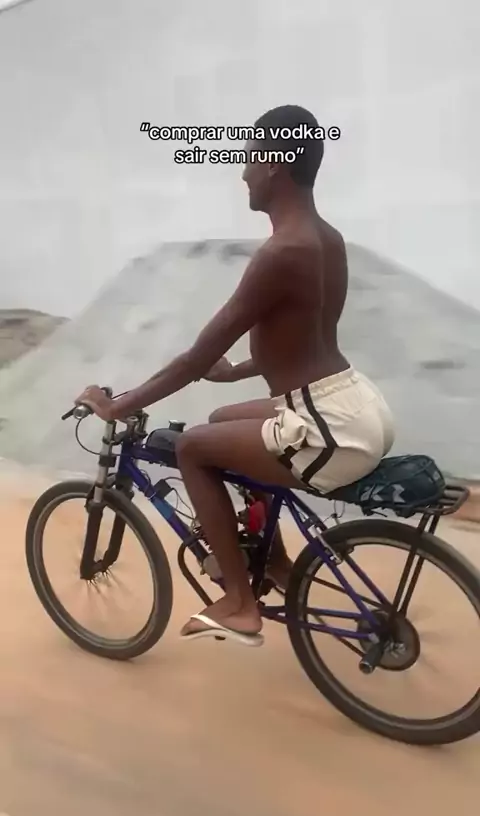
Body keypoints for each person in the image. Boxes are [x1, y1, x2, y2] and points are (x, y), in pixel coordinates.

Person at [76, 104, 395, 647]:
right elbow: (309, 338)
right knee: (223, 418)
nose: (243, 173)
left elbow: (194, 359)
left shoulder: (281, 253)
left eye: (248, 158)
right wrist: (238, 374)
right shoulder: (327, 238)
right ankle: (276, 562)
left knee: (193, 448)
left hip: (328, 427)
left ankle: (240, 605)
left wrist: (117, 406)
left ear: (274, 165)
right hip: (352, 400)